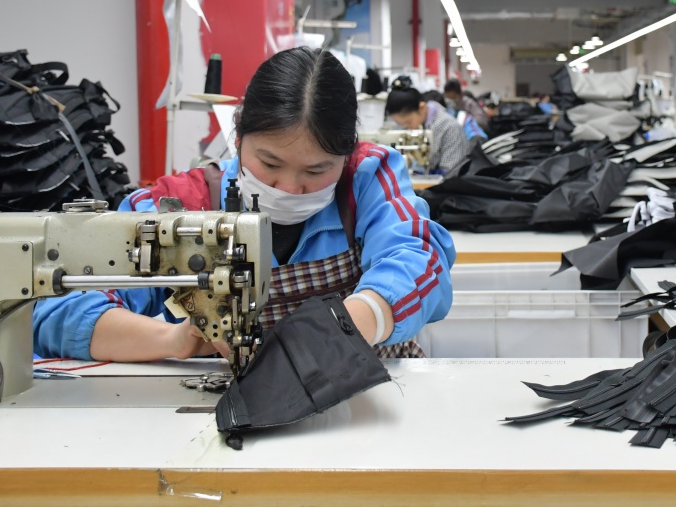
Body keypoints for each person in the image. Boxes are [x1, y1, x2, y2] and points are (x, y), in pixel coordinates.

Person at [34, 48, 455, 361]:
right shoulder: (180, 204)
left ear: (347, 155)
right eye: (269, 163)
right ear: (238, 137)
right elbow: (59, 308)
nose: (289, 187)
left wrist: (356, 321)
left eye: (316, 170)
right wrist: (173, 340)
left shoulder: (365, 178)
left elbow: (421, 260)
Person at [386, 85, 471, 175]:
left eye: (408, 122)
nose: (406, 127)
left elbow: (451, 172)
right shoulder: (403, 126)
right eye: (401, 124)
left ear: (422, 107)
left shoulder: (449, 128)